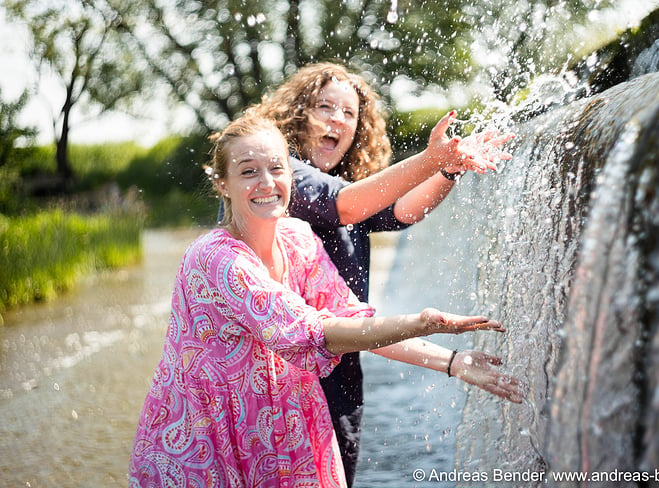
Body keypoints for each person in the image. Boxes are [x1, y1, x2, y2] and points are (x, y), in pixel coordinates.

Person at [129, 113, 517, 487]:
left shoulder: (298, 239)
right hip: (208, 443)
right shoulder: (214, 258)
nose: (266, 183)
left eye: (277, 168)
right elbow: (319, 333)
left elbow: (354, 320)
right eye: (248, 171)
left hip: (286, 432)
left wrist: (452, 361)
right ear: (222, 184)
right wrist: (420, 321)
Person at [250, 62, 518, 486]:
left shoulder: (346, 185)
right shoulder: (280, 178)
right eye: (325, 107)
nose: (338, 119)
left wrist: (449, 170)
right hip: (283, 386)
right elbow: (349, 205)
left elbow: (402, 212)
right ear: (298, 113)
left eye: (350, 114)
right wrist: (431, 159)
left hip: (339, 375)